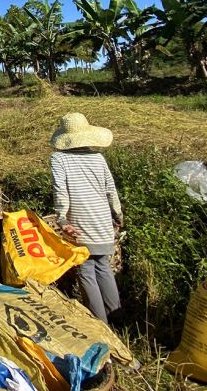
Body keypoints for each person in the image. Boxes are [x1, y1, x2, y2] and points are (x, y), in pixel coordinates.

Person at [49, 112, 123, 323]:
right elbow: (111, 190)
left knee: (86, 271)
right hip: (101, 221)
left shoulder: (59, 159)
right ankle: (116, 319)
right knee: (103, 267)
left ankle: (100, 324)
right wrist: (117, 214)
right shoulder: (98, 158)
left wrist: (62, 219)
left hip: (80, 222)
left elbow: (60, 190)